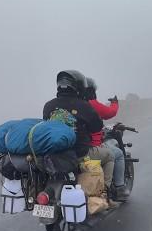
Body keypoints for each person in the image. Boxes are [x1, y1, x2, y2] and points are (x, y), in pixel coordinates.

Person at [43, 70, 118, 208]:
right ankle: (105, 194)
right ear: (78, 87)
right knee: (110, 155)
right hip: (81, 153)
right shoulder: (83, 105)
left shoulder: (48, 106)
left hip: (55, 154)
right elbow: (97, 127)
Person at [84, 78, 130, 201]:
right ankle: (118, 188)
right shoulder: (91, 104)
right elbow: (110, 112)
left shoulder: (73, 104)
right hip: (90, 147)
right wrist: (115, 103)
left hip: (75, 148)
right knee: (118, 154)